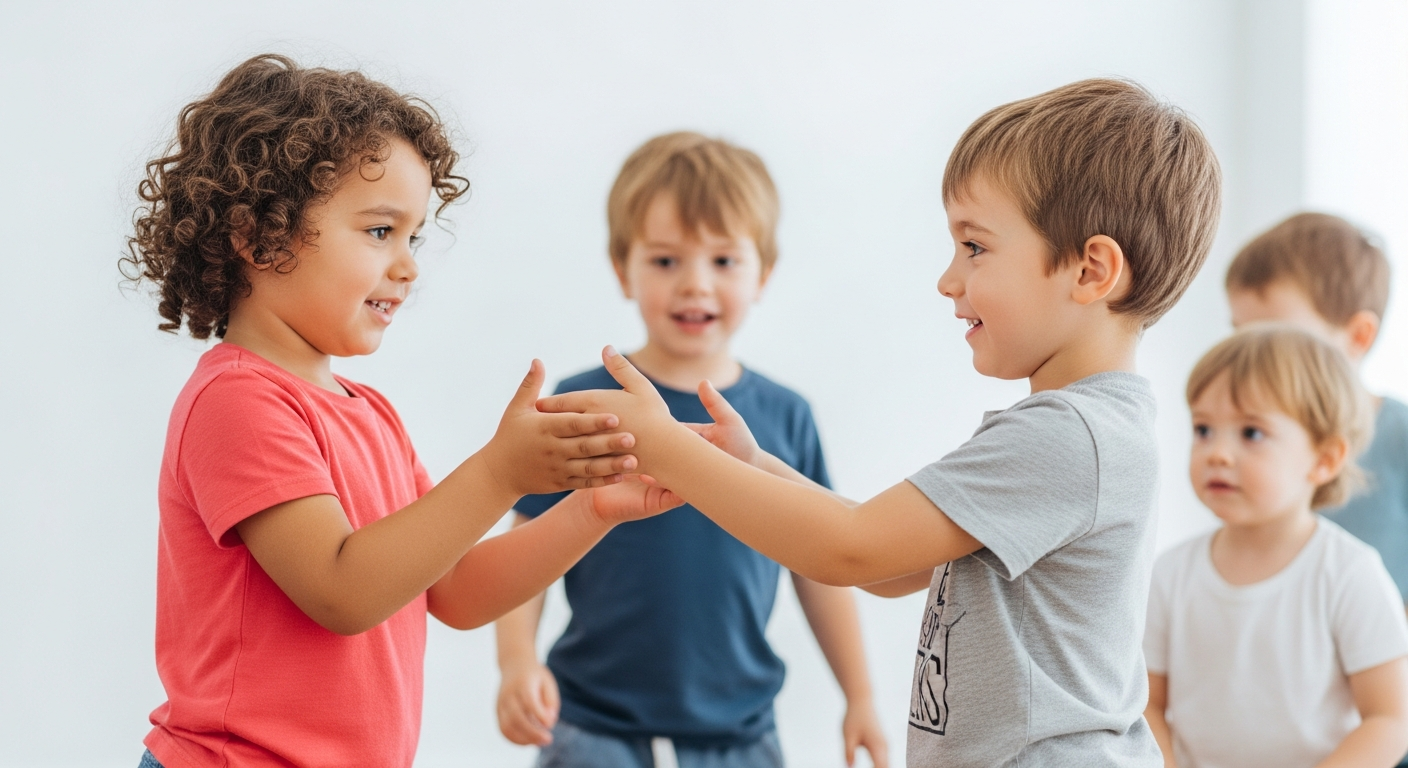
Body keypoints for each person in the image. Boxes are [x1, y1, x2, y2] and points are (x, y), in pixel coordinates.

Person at [538, 79, 1222, 766]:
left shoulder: (1067, 439)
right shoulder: (1074, 432)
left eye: (975, 247)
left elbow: (849, 550)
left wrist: (664, 444)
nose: (948, 279)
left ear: (1091, 269)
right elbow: (886, 569)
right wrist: (753, 465)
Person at [123, 54, 679, 768]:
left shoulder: (368, 413)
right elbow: (344, 590)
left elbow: (451, 591)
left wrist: (591, 509)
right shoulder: (236, 400)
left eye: (413, 237)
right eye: (380, 232)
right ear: (258, 234)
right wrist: (501, 473)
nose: (410, 264)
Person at [494, 132, 888, 768]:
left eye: (724, 262)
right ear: (623, 268)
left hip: (742, 734)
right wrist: (517, 664)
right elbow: (522, 546)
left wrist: (861, 695)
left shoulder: (785, 416)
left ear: (764, 272)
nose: (695, 285)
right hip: (590, 725)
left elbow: (823, 566)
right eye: (666, 261)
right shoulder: (585, 401)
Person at [1143, 326, 1408, 767]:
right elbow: (1147, 702)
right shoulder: (1170, 574)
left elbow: (1391, 718)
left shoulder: (1349, 573)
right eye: (1204, 429)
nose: (1218, 453)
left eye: (1251, 433)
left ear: (1325, 459)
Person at [1225, 213, 1408, 605]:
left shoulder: (1399, 435)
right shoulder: (1251, 438)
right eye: (1240, 337)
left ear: (1357, 337)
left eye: (1276, 338)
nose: (1250, 359)